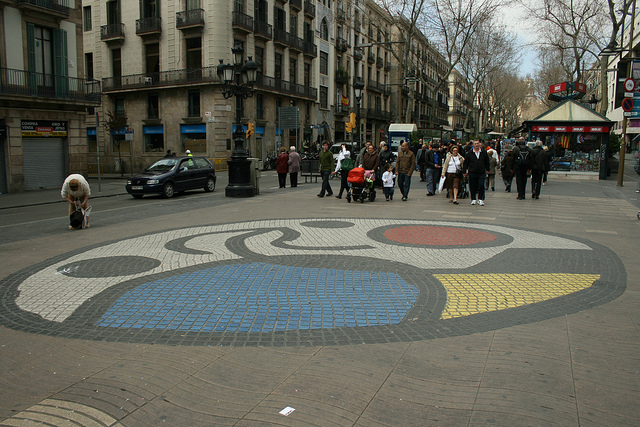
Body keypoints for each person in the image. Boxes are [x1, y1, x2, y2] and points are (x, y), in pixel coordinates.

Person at [464, 140, 490, 206]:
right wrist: (465, 171)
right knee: (473, 185)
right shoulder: (469, 153)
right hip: (472, 172)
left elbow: (487, 161)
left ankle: (481, 199)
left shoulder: (484, 152)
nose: (476, 145)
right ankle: (473, 199)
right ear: (473, 145)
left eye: (478, 143)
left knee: (481, 185)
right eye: (475, 144)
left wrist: (487, 169)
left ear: (480, 144)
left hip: (481, 172)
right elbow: (466, 163)